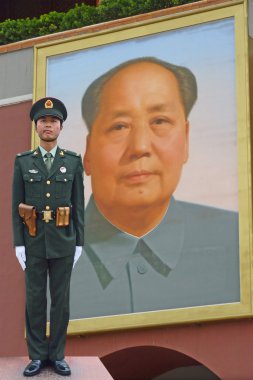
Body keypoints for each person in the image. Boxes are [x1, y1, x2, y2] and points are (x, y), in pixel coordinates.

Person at [69, 57, 239, 319]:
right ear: (88, 153)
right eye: (119, 126)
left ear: (186, 138)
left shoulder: (237, 240)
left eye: (159, 121)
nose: (139, 147)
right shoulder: (48, 256)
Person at [12, 97, 84, 376]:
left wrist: (80, 242)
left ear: (60, 127)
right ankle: (38, 355)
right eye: (43, 121)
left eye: (53, 121)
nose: (48, 125)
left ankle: (58, 354)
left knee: (61, 299)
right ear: (36, 127)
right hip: (32, 241)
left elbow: (79, 204)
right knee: (35, 299)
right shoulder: (23, 162)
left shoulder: (73, 162)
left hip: (64, 241)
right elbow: (15, 205)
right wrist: (18, 243)